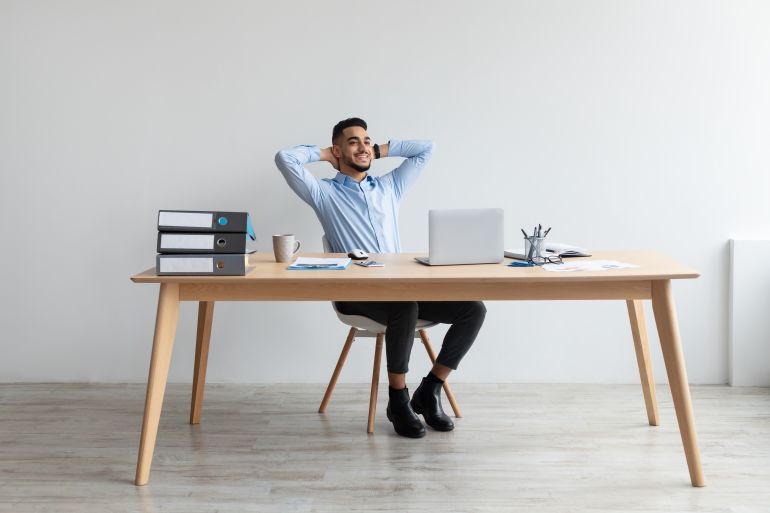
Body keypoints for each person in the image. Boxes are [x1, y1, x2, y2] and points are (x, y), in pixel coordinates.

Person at [275, 117, 486, 438]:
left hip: (403, 287)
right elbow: (284, 158)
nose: (363, 146)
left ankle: (430, 389)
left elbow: (425, 149)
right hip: (356, 293)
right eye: (353, 141)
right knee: (405, 307)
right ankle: (398, 399)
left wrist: (378, 149)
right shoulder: (323, 193)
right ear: (337, 149)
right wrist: (325, 154)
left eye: (367, 140)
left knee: (473, 309)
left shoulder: (389, 185)